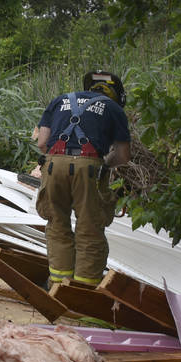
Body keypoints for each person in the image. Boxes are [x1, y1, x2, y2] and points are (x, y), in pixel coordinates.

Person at [34, 70, 131, 286]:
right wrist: (105, 166)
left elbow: (42, 143)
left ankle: (59, 286)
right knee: (89, 230)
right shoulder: (114, 109)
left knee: (57, 225)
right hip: (89, 168)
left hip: (52, 165)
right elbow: (123, 156)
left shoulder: (59, 100)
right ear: (116, 95)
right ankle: (82, 292)